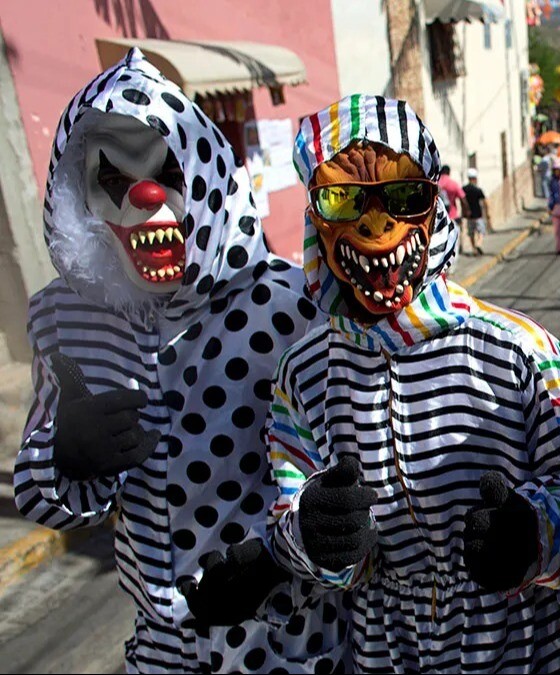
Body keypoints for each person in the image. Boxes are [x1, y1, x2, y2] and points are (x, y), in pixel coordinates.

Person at [12, 49, 337, 672]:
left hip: (291, 646)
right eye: (112, 181)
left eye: (168, 173)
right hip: (161, 654)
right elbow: (45, 496)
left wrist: (282, 560)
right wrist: (62, 456)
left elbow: (348, 484)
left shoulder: (292, 304)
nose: (144, 196)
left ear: (207, 173)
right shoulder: (67, 316)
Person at [270, 95, 560, 672]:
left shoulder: (524, 351)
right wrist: (316, 536)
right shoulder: (301, 374)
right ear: (314, 218)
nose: (376, 223)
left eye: (404, 195)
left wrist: (530, 536)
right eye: (342, 198)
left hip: (526, 655)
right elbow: (289, 517)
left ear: (433, 208)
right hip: (385, 655)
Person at [462, 168, 490, 256]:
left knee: (471, 233)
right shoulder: (478, 190)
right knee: (481, 231)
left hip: (469, 216)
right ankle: (478, 244)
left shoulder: (464, 189)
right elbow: (485, 201)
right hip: (478, 215)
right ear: (475, 178)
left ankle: (474, 249)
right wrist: (487, 212)